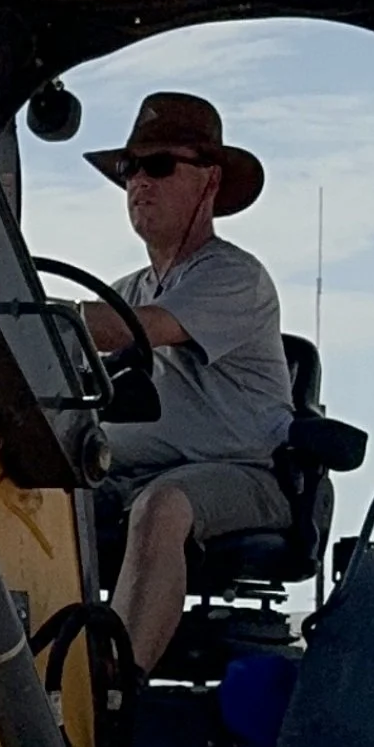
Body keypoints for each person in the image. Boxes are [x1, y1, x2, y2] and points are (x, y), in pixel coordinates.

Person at [81, 89, 293, 676]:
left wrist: (12, 315)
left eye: (158, 166)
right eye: (129, 170)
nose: (138, 183)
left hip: (244, 474)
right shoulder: (126, 288)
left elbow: (135, 331)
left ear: (209, 182)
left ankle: (112, 693)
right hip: (134, 470)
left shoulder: (233, 277)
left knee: (163, 507)